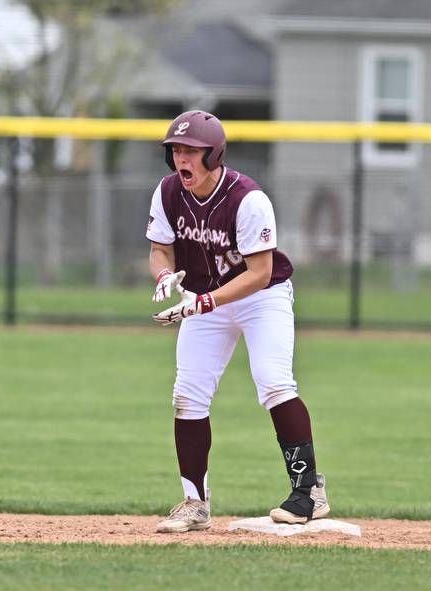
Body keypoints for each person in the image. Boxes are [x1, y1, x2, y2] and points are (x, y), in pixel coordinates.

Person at [146, 110, 330, 533]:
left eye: (191, 151)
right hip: (203, 299)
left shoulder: (247, 198)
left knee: (273, 381)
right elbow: (161, 249)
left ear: (214, 154)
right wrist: (163, 275)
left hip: (260, 298)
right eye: (175, 150)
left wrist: (205, 301)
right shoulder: (169, 192)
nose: (181, 159)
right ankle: (195, 504)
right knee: (187, 395)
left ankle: (308, 493)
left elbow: (260, 272)